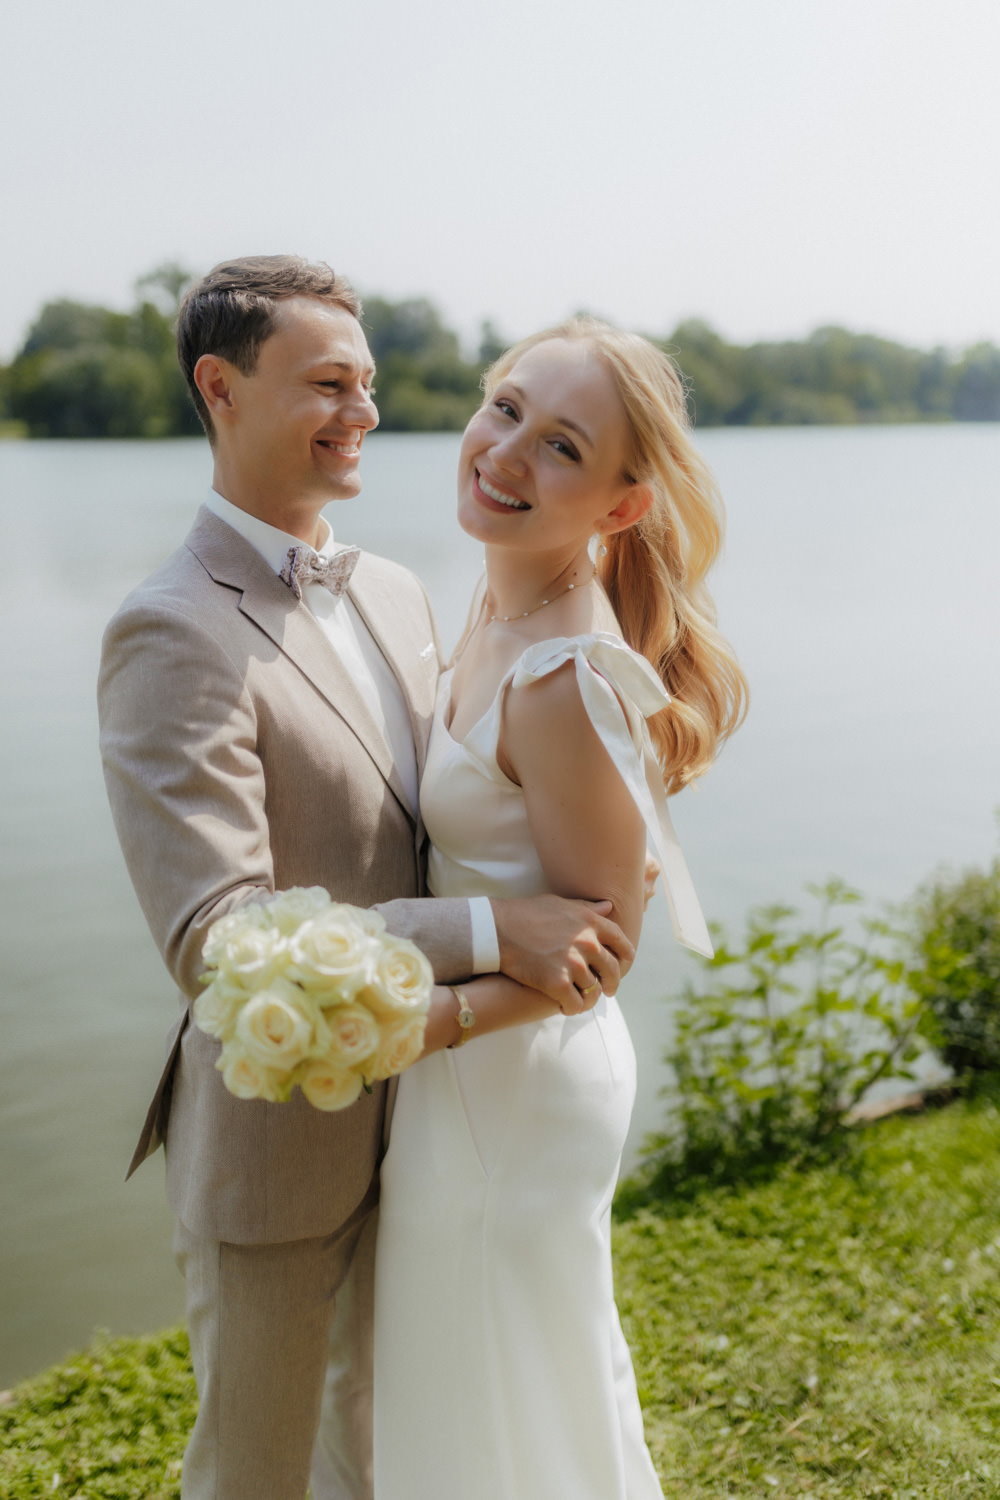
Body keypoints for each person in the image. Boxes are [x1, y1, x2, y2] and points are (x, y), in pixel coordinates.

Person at [97, 258, 635, 1500]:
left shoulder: (396, 588)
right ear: (221, 389)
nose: (366, 413)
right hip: (281, 1142)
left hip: (446, 1129)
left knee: (399, 1457)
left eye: (372, 384)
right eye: (328, 384)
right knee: (261, 1473)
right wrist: (496, 930)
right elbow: (222, 941)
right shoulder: (167, 628)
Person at [372, 317, 748, 1498]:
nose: (504, 453)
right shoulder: (493, 602)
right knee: (478, 1379)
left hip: (515, 1082)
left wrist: (420, 1024)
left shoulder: (561, 676)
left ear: (622, 507)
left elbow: (605, 946)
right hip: (475, 1065)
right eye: (505, 409)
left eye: (560, 445)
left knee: (511, 1393)